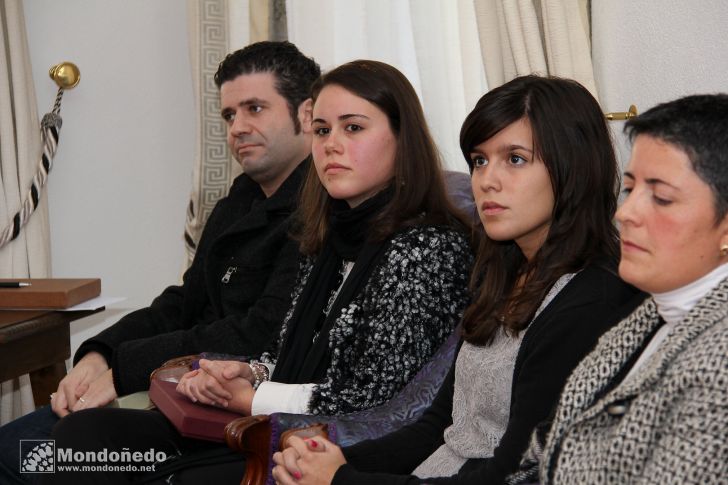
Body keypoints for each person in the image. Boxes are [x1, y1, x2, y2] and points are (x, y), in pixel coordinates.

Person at [44, 60, 473, 483]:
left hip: (325, 443)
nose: (331, 144)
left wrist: (252, 396)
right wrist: (247, 373)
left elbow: (374, 397)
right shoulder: (325, 234)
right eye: (322, 130)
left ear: (403, 139)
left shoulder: (428, 247)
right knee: (85, 436)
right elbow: (284, 349)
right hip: (267, 417)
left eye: (353, 127)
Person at [271, 75, 644, 485]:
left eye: (515, 159)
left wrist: (342, 479)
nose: (488, 180)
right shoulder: (505, 272)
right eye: (480, 160)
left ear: (572, 166)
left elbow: (513, 472)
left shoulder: (592, 299)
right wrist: (340, 459)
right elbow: (438, 426)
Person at [0, 40, 320, 485]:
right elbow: (184, 301)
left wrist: (124, 370)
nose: (238, 127)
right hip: (176, 403)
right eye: (229, 115)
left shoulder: (319, 212)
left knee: (29, 460)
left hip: (229, 424)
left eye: (255, 108)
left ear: (306, 114)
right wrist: (100, 353)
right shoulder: (239, 202)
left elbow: (259, 332)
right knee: (10, 448)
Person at [505, 93, 728, 484]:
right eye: (629, 189)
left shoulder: (719, 364)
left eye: (660, 197)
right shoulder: (650, 311)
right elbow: (541, 454)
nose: (625, 213)